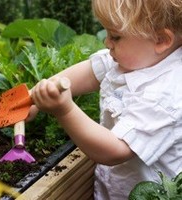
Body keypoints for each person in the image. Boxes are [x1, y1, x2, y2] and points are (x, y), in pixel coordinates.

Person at [27, 0, 182, 199]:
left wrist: (64, 110)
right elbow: (91, 72)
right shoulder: (138, 57)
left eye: (115, 36)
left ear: (161, 40)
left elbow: (114, 150)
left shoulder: (165, 96)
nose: (107, 43)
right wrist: (34, 96)